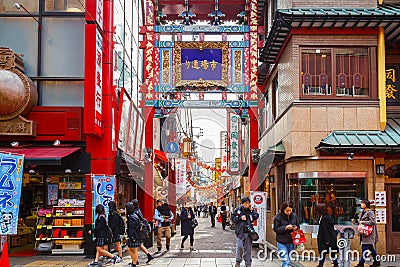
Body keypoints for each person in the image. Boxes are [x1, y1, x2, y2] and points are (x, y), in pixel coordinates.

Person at [232, 197, 259, 267]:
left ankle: (248, 263)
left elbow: (256, 216)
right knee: (239, 247)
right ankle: (238, 261)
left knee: (248, 249)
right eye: (245, 203)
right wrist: (240, 218)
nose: (247, 204)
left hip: (248, 232)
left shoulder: (251, 210)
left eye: (248, 203)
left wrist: (252, 210)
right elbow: (233, 219)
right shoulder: (238, 210)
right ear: (242, 203)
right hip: (240, 232)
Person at [355, 200, 380, 267]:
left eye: (363, 203)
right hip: (364, 233)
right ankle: (377, 261)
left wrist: (362, 222)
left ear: (366, 204)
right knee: (370, 248)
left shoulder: (370, 212)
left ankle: (361, 263)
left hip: (369, 233)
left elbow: (373, 222)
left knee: (365, 248)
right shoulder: (363, 212)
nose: (361, 204)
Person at [273, 202, 298, 267]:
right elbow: (276, 229)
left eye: (290, 210)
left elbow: (298, 226)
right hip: (281, 242)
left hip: (291, 241)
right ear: (283, 209)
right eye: (287, 211)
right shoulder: (278, 217)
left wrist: (296, 228)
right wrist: (285, 228)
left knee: (288, 259)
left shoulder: (294, 216)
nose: (289, 212)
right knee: (285, 260)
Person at [131, 199, 154, 264]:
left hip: (137, 231)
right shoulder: (138, 210)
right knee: (140, 245)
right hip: (140, 231)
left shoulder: (135, 212)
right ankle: (149, 256)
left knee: (134, 247)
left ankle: (135, 261)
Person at [126, 202, 141, 267]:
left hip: (134, 235)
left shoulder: (131, 217)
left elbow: (131, 228)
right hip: (136, 234)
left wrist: (130, 236)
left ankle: (134, 263)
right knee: (131, 249)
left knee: (133, 249)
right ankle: (134, 261)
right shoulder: (134, 214)